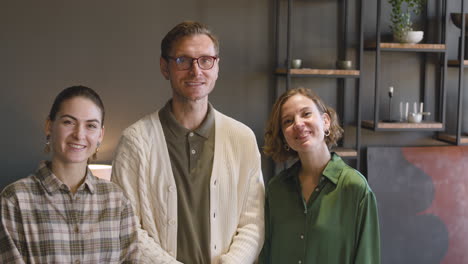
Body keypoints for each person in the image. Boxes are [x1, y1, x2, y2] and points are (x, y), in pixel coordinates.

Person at [111, 21, 264, 264]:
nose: (196, 71)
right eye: (183, 60)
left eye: (205, 60)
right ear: (165, 67)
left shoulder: (242, 138)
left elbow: (253, 222)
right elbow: (126, 227)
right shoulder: (136, 142)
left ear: (216, 67)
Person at [0, 86, 139, 263]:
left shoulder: (116, 201)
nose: (79, 134)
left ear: (100, 134)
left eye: (91, 125)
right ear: (49, 126)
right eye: (68, 122)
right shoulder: (15, 200)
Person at [259, 87, 380, 264]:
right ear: (284, 137)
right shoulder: (276, 189)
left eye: (306, 114)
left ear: (326, 122)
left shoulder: (355, 188)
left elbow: (367, 259)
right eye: (288, 121)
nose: (298, 124)